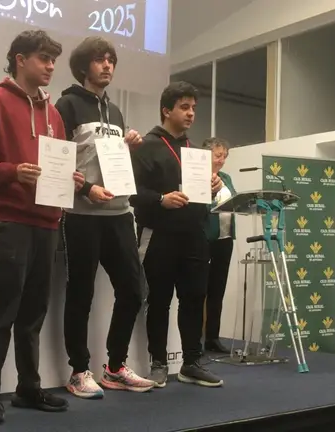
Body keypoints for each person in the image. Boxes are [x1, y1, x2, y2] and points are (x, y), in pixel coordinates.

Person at [0, 30, 84, 425]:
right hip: (9, 220)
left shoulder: (54, 114)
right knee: (3, 311)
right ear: (19, 59)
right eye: (44, 58)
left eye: (53, 60)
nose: (51, 66)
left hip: (47, 221)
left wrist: (70, 178)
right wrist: (12, 172)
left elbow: (56, 164)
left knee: (33, 313)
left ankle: (28, 388)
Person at [55, 36, 154, 398]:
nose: (108, 65)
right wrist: (86, 189)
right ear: (84, 67)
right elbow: (57, 162)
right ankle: (79, 371)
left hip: (119, 213)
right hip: (82, 214)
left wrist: (129, 147)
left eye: (111, 60)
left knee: (133, 289)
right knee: (81, 293)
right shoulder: (66, 105)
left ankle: (114, 368)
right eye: (100, 60)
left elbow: (112, 161)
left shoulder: (115, 111)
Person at [130, 81, 224, 388]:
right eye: (184, 107)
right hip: (159, 234)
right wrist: (161, 199)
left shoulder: (195, 152)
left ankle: (191, 363)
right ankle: (158, 363)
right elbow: (131, 192)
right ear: (166, 110)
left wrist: (213, 187)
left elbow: (201, 194)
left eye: (193, 108)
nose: (191, 113)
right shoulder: (146, 146)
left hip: (194, 234)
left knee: (194, 298)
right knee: (159, 300)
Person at [202, 137, 237, 354]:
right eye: (218, 155)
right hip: (205, 238)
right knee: (200, 290)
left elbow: (234, 200)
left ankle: (212, 338)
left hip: (225, 239)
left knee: (218, 289)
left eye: (225, 156)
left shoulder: (226, 178)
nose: (222, 160)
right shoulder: (198, 177)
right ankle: (194, 339)